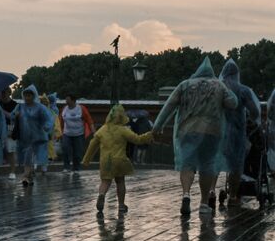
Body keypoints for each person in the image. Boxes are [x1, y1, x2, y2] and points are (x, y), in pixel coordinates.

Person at [152, 56, 240, 218]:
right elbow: (233, 103)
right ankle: (204, 203)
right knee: (207, 165)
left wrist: (157, 127)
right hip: (211, 131)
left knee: (187, 163)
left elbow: (169, 106)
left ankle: (186, 194)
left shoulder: (184, 85)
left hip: (187, 130)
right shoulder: (218, 85)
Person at [83, 105, 154, 215]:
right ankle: (121, 205)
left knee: (105, 182)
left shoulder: (102, 130)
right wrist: (149, 135)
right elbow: (137, 139)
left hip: (106, 161)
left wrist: (86, 160)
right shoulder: (123, 130)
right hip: (120, 160)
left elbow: (92, 145)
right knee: (120, 181)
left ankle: (101, 195)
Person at [217, 58, 261, 208]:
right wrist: (250, 121)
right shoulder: (243, 90)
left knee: (215, 163)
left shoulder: (218, 89)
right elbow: (254, 111)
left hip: (219, 131)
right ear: (237, 74)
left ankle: (210, 192)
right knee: (236, 165)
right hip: (237, 131)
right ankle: (233, 196)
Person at [16, 85, 53, 187]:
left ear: (34, 96)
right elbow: (11, 116)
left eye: (29, 95)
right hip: (25, 137)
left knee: (31, 158)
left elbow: (49, 119)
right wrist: (15, 115)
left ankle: (25, 176)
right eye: (25, 95)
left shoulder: (41, 108)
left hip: (38, 137)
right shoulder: (20, 106)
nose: (27, 98)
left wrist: (46, 127)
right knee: (28, 158)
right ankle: (29, 177)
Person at [59, 95, 92, 172]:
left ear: (73, 100)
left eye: (68, 100)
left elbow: (89, 120)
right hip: (67, 133)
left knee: (77, 152)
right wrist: (59, 132)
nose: (66, 101)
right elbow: (60, 121)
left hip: (79, 134)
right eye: (65, 99)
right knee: (65, 149)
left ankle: (76, 168)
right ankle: (66, 167)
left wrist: (93, 130)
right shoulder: (64, 109)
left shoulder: (81, 108)